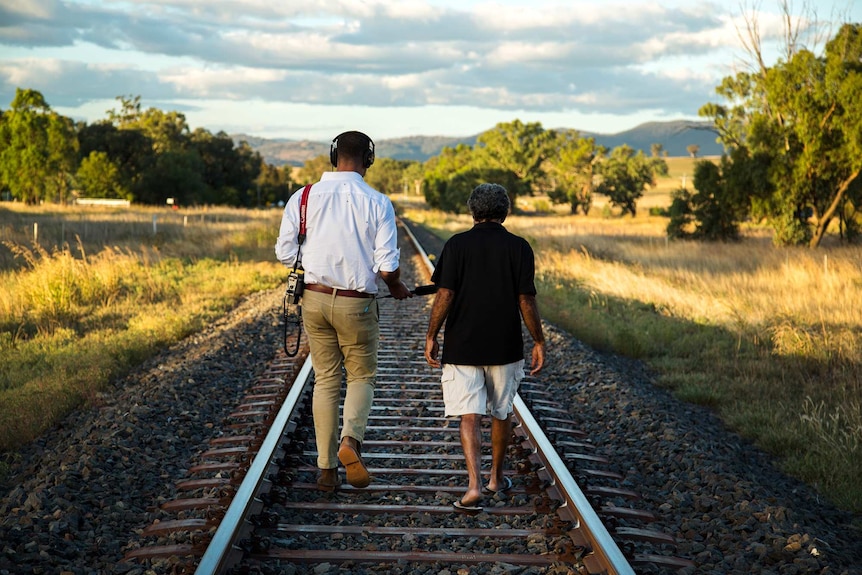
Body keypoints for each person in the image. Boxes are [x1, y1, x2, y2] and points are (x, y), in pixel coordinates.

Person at [275, 130, 412, 492]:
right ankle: (350, 442)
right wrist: (396, 286)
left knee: (325, 379)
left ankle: (325, 470)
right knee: (362, 376)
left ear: (333, 156)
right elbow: (387, 265)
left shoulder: (301, 197)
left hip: (315, 300)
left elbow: (286, 253)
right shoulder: (378, 201)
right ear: (369, 160)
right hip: (356, 302)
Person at [424, 183, 545, 513]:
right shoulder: (519, 247)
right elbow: (526, 299)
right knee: (501, 412)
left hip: (463, 346)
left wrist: (432, 334)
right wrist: (538, 340)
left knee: (470, 415)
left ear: (472, 211)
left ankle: (474, 486)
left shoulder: (457, 245)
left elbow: (444, 295)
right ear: (505, 211)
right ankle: (495, 478)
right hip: (505, 346)